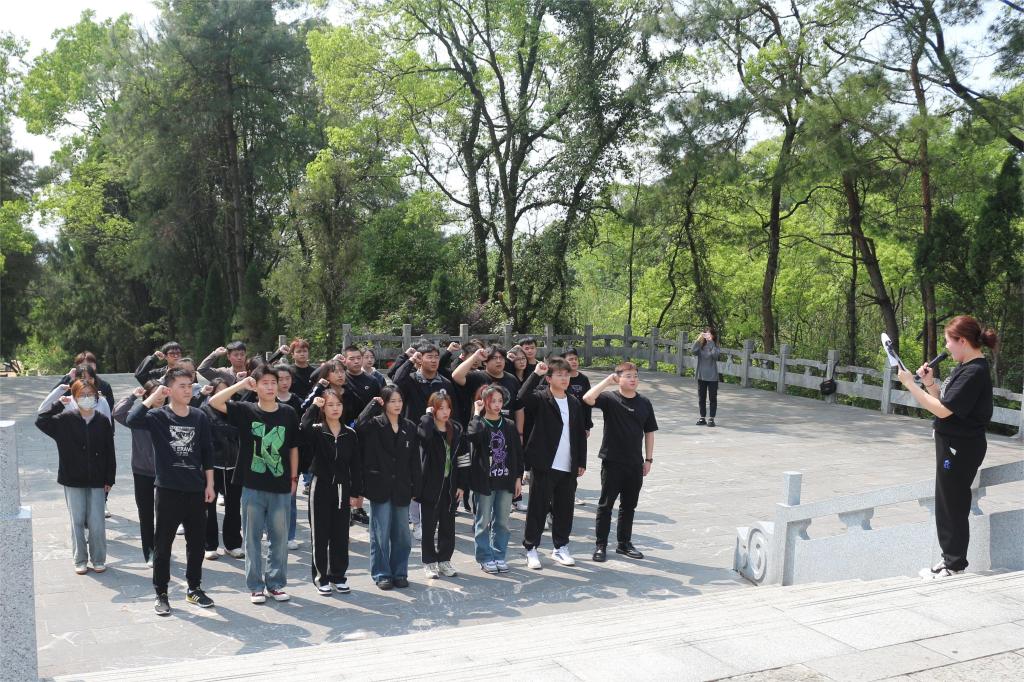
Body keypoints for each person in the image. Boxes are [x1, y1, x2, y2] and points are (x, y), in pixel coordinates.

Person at [897, 315, 997, 579]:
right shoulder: (966, 367)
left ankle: (953, 565)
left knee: (951, 503)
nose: (946, 347)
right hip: (954, 444)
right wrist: (929, 383)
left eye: (948, 341)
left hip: (960, 447)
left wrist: (910, 384)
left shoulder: (974, 372)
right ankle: (950, 561)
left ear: (962, 340)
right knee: (947, 501)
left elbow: (943, 411)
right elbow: (947, 403)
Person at [127, 368, 216, 615]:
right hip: (168, 490)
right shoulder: (158, 416)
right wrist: (153, 396)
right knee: (163, 544)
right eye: (181, 386)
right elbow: (132, 419)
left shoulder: (199, 416)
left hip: (196, 489)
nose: (188, 390)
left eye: (190, 385)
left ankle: (194, 588)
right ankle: (161, 593)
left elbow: (207, 452)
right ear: (169, 389)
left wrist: (210, 484)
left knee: (196, 544)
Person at [210, 367, 301, 604]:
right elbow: (214, 401)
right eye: (265, 383)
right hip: (252, 485)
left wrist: (294, 478)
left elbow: (293, 447)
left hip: (281, 485)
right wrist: (241, 385)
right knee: (252, 538)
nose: (270, 387)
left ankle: (276, 584)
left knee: (279, 539)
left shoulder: (288, 412)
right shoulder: (246, 410)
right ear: (257, 386)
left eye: (274, 382)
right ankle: (255, 586)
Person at [36, 379, 116, 575]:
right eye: (81, 395)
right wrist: (58, 399)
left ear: (96, 397)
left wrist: (109, 478)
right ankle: (80, 559)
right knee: (77, 521)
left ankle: (98, 559)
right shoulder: (64, 419)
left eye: (90, 395)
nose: (86, 398)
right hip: (72, 478)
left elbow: (110, 451)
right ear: (74, 398)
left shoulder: (102, 421)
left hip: (97, 479)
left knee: (97, 523)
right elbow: (41, 419)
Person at [583, 362, 658, 562]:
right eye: (628, 376)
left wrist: (649, 459)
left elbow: (649, 432)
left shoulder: (644, 402)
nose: (633, 379)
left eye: (635, 376)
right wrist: (607, 381)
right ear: (619, 378)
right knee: (606, 505)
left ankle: (624, 543)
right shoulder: (610, 398)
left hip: (635, 463)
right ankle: (601, 545)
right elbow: (588, 398)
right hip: (612, 461)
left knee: (629, 506)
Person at [518, 357, 587, 569]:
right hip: (544, 464)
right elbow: (520, 398)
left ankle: (560, 547)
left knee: (564, 509)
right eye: (559, 375)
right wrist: (535, 374)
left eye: (567, 375)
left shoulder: (574, 402)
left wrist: (581, 461)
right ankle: (531, 548)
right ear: (549, 378)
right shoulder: (541, 399)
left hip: (568, 465)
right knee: (537, 509)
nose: (565, 379)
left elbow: (580, 434)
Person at [355, 388, 420, 590]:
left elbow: (414, 460)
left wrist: (416, 486)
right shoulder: (374, 424)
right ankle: (382, 573)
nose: (397, 405)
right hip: (379, 485)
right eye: (392, 401)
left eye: (400, 400)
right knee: (380, 534)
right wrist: (373, 405)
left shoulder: (409, 426)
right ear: (384, 403)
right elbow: (359, 425)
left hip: (402, 486)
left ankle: (400, 572)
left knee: (402, 535)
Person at [393, 342, 456, 541]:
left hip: (437, 436)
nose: (434, 360)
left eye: (436, 356)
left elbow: (450, 409)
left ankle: (431, 519)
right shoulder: (411, 379)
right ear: (420, 359)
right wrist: (410, 361)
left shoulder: (444, 383)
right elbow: (396, 381)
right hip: (414, 434)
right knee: (415, 478)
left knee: (433, 478)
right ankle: (416, 522)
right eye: (429, 357)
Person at [301, 389, 361, 595]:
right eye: (330, 405)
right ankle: (321, 578)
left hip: (343, 488)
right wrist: (313, 407)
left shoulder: (349, 433)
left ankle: (338, 576)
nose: (335, 408)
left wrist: (355, 492)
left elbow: (356, 465)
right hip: (320, 487)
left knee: (340, 535)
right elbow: (303, 428)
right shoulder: (317, 430)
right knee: (320, 535)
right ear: (323, 408)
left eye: (338, 404)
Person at [459, 386, 524, 573]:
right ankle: (485, 557)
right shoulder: (480, 423)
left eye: (500, 401)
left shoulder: (509, 425)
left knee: (502, 522)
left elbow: (517, 453)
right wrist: (477, 413)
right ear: (484, 402)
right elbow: (472, 435)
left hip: (506, 480)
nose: (497, 405)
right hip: (484, 482)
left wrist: (518, 477)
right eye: (492, 401)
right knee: (483, 522)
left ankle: (499, 555)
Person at [417, 391, 466, 579]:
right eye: (440, 408)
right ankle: (429, 562)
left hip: (450, 485)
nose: (445, 412)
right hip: (430, 485)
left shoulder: (456, 429)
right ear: (433, 410)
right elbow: (424, 437)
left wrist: (462, 485)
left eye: (448, 408)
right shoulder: (427, 427)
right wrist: (428, 416)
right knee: (429, 526)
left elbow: (463, 458)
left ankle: (444, 560)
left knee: (448, 525)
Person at [113, 383, 161, 567]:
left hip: (166, 471)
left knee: (165, 513)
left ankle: (162, 549)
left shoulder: (170, 414)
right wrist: (133, 396)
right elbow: (118, 413)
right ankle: (149, 551)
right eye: (154, 393)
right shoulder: (137, 418)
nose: (159, 396)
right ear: (147, 396)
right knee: (146, 513)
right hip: (142, 471)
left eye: (162, 392)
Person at [200, 378, 244, 561]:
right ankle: (209, 545)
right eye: (219, 390)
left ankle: (232, 544)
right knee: (209, 507)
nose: (223, 394)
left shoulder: (236, 410)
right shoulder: (205, 411)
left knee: (233, 507)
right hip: (212, 466)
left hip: (234, 465)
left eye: (227, 390)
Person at [275, 364, 305, 549]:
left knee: (290, 498)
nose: (284, 382)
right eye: (280, 379)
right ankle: (271, 531)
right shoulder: (266, 399)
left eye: (287, 378)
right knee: (270, 498)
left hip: (291, 453)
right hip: (270, 454)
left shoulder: (297, 401)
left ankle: (290, 535)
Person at [692, 327, 721, 426]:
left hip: (712, 376)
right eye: (706, 334)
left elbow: (715, 356)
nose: (708, 336)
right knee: (701, 398)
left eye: (710, 334)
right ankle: (702, 417)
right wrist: (699, 339)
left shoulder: (715, 346)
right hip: (701, 376)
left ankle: (711, 418)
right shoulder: (701, 346)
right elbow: (693, 351)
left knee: (712, 398)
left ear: (713, 335)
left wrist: (711, 342)